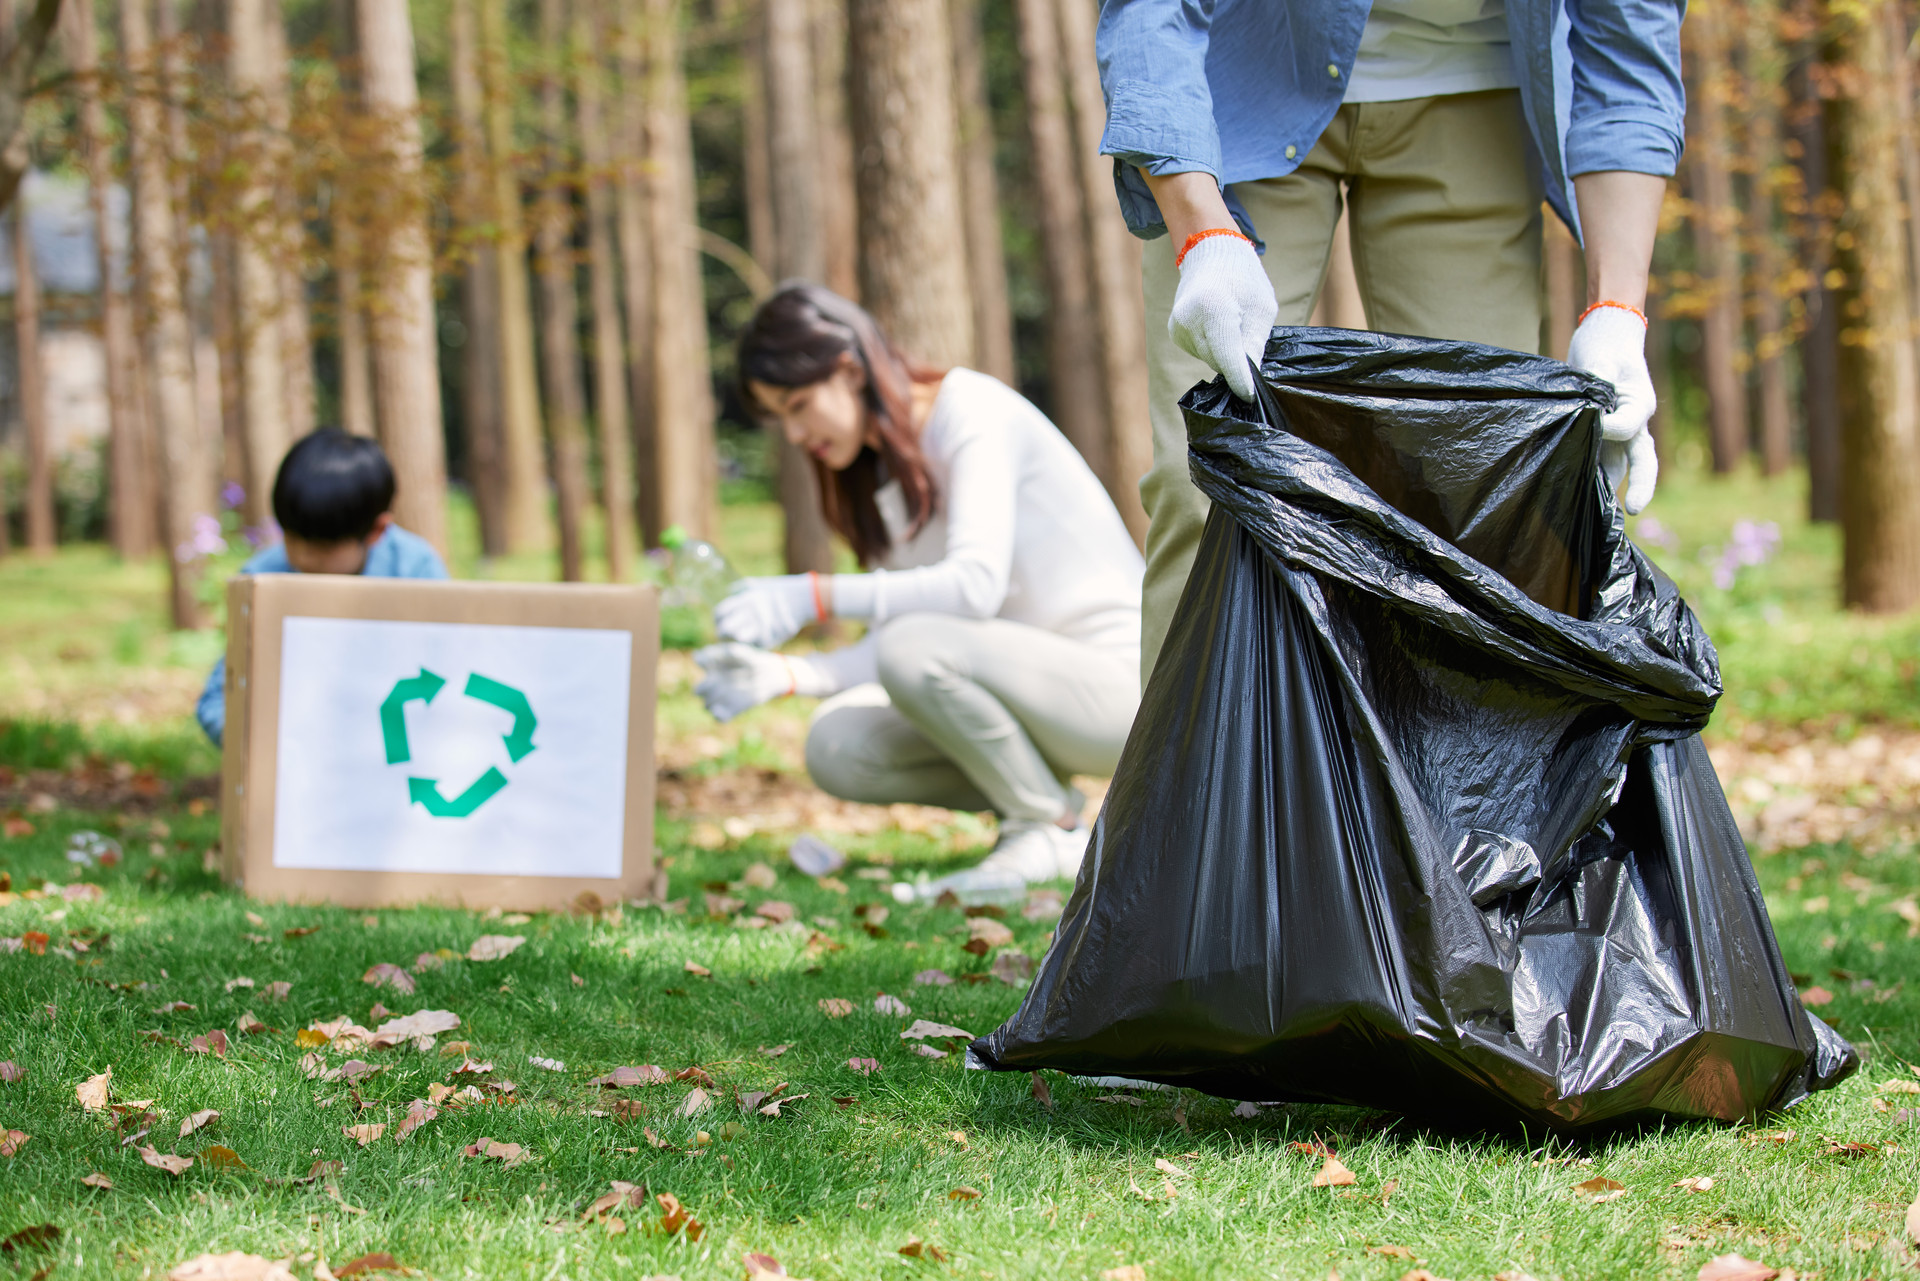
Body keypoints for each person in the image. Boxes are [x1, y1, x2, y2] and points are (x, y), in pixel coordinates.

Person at [1099, 0, 1679, 677]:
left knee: (1480, 496)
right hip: (1241, 75)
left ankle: (1457, 785)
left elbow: (1629, 54)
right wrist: (1200, 226)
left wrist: (1617, 310)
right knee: (1205, 482)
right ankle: (1194, 783)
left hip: (1471, 95)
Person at [693, 284, 1144, 901]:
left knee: (913, 644)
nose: (795, 434)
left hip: (1126, 698)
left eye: (798, 405)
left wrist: (815, 596)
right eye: (781, 418)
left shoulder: (972, 413)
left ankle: (1051, 828)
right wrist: (784, 674)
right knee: (836, 746)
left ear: (850, 370)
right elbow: (897, 647)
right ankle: (1051, 814)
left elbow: (971, 591)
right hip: (1024, 694)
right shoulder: (879, 475)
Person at [196, 429, 447, 745]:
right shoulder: (264, 577)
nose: (301, 556)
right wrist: (260, 745)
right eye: (291, 538)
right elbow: (218, 700)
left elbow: (444, 678)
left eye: (321, 548)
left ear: (376, 530)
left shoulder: (414, 570)